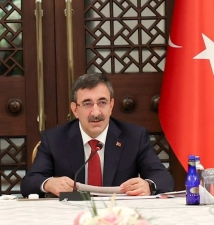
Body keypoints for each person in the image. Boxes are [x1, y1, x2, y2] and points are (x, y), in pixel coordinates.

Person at [21, 70, 175, 197]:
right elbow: (29, 183)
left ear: (111, 105)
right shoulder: (54, 139)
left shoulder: (134, 136)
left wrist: (148, 185)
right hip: (71, 213)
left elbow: (164, 178)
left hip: (119, 213)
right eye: (87, 104)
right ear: (75, 110)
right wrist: (49, 183)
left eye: (102, 102)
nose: (96, 112)